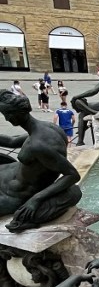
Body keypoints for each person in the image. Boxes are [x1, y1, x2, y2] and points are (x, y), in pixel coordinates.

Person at [0, 90, 82, 231]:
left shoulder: (39, 145)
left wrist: (36, 199)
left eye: (7, 114)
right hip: (7, 176)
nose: (7, 119)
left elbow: (72, 175)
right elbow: (12, 141)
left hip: (13, 195)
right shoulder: (47, 127)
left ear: (17, 114)